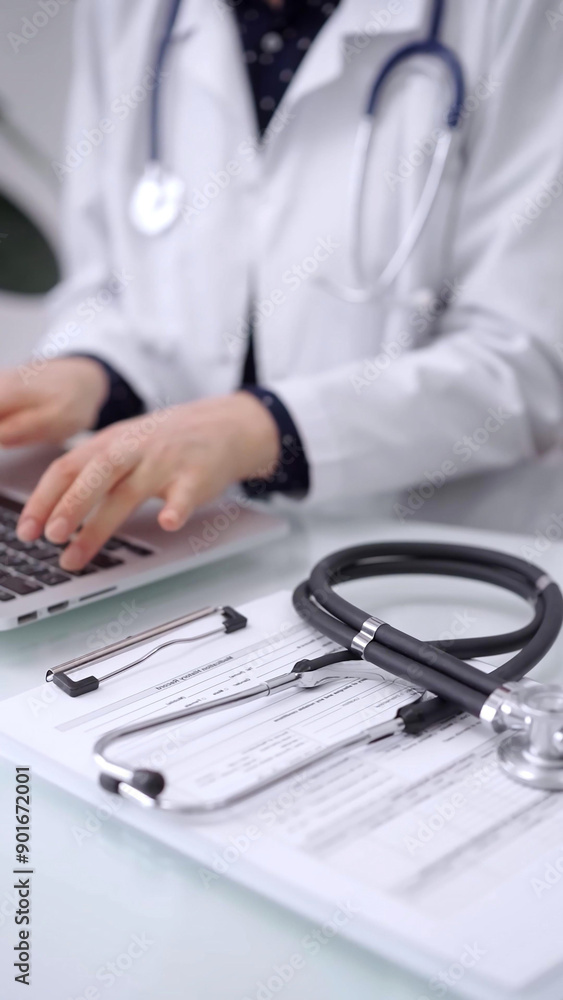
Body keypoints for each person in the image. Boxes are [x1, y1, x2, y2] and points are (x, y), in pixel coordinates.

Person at [1, 0, 563, 573]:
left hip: (441, 557)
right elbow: (103, 283)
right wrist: (93, 373)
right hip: (189, 541)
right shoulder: (125, 12)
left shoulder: (514, 14)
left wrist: (265, 428)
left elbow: (527, 363)